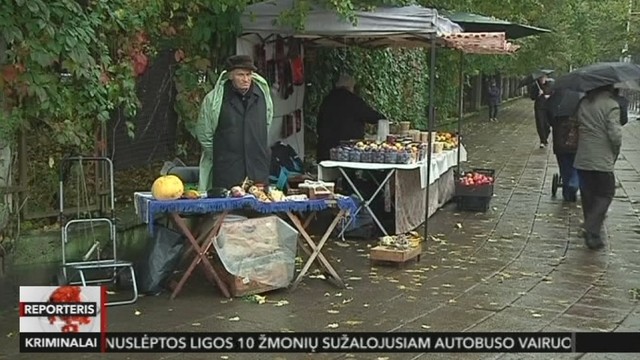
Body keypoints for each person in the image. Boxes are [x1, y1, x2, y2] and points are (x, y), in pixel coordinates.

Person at [194, 55, 273, 191]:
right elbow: (204, 134)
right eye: (240, 75)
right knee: (226, 212)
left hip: (258, 171)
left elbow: (267, 124)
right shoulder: (214, 100)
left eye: (248, 74)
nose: (246, 79)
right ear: (230, 76)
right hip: (227, 173)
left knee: (259, 211)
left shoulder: (262, 96)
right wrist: (222, 155)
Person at [573, 85, 621, 250]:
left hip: (583, 158)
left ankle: (593, 237)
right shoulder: (611, 105)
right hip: (601, 159)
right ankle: (589, 227)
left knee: (588, 197)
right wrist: (615, 150)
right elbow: (615, 134)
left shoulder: (584, 103)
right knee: (606, 194)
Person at [316, 73, 386, 161]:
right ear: (350, 87)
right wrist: (382, 119)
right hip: (348, 151)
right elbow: (371, 116)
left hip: (326, 149)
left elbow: (319, 124)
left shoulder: (327, 100)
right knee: (347, 173)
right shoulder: (353, 101)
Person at [545, 89, 580, 202]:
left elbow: (549, 119)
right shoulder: (583, 99)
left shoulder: (555, 98)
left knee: (564, 166)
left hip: (560, 140)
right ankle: (574, 183)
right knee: (577, 165)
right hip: (578, 141)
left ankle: (567, 192)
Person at [533, 78, 552, 148]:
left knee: (547, 124)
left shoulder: (550, 84)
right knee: (540, 124)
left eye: (543, 77)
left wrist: (548, 95)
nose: (542, 79)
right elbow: (532, 97)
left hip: (549, 106)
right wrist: (538, 94)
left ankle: (546, 135)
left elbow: (554, 93)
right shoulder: (536, 85)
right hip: (539, 107)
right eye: (540, 78)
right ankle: (543, 140)